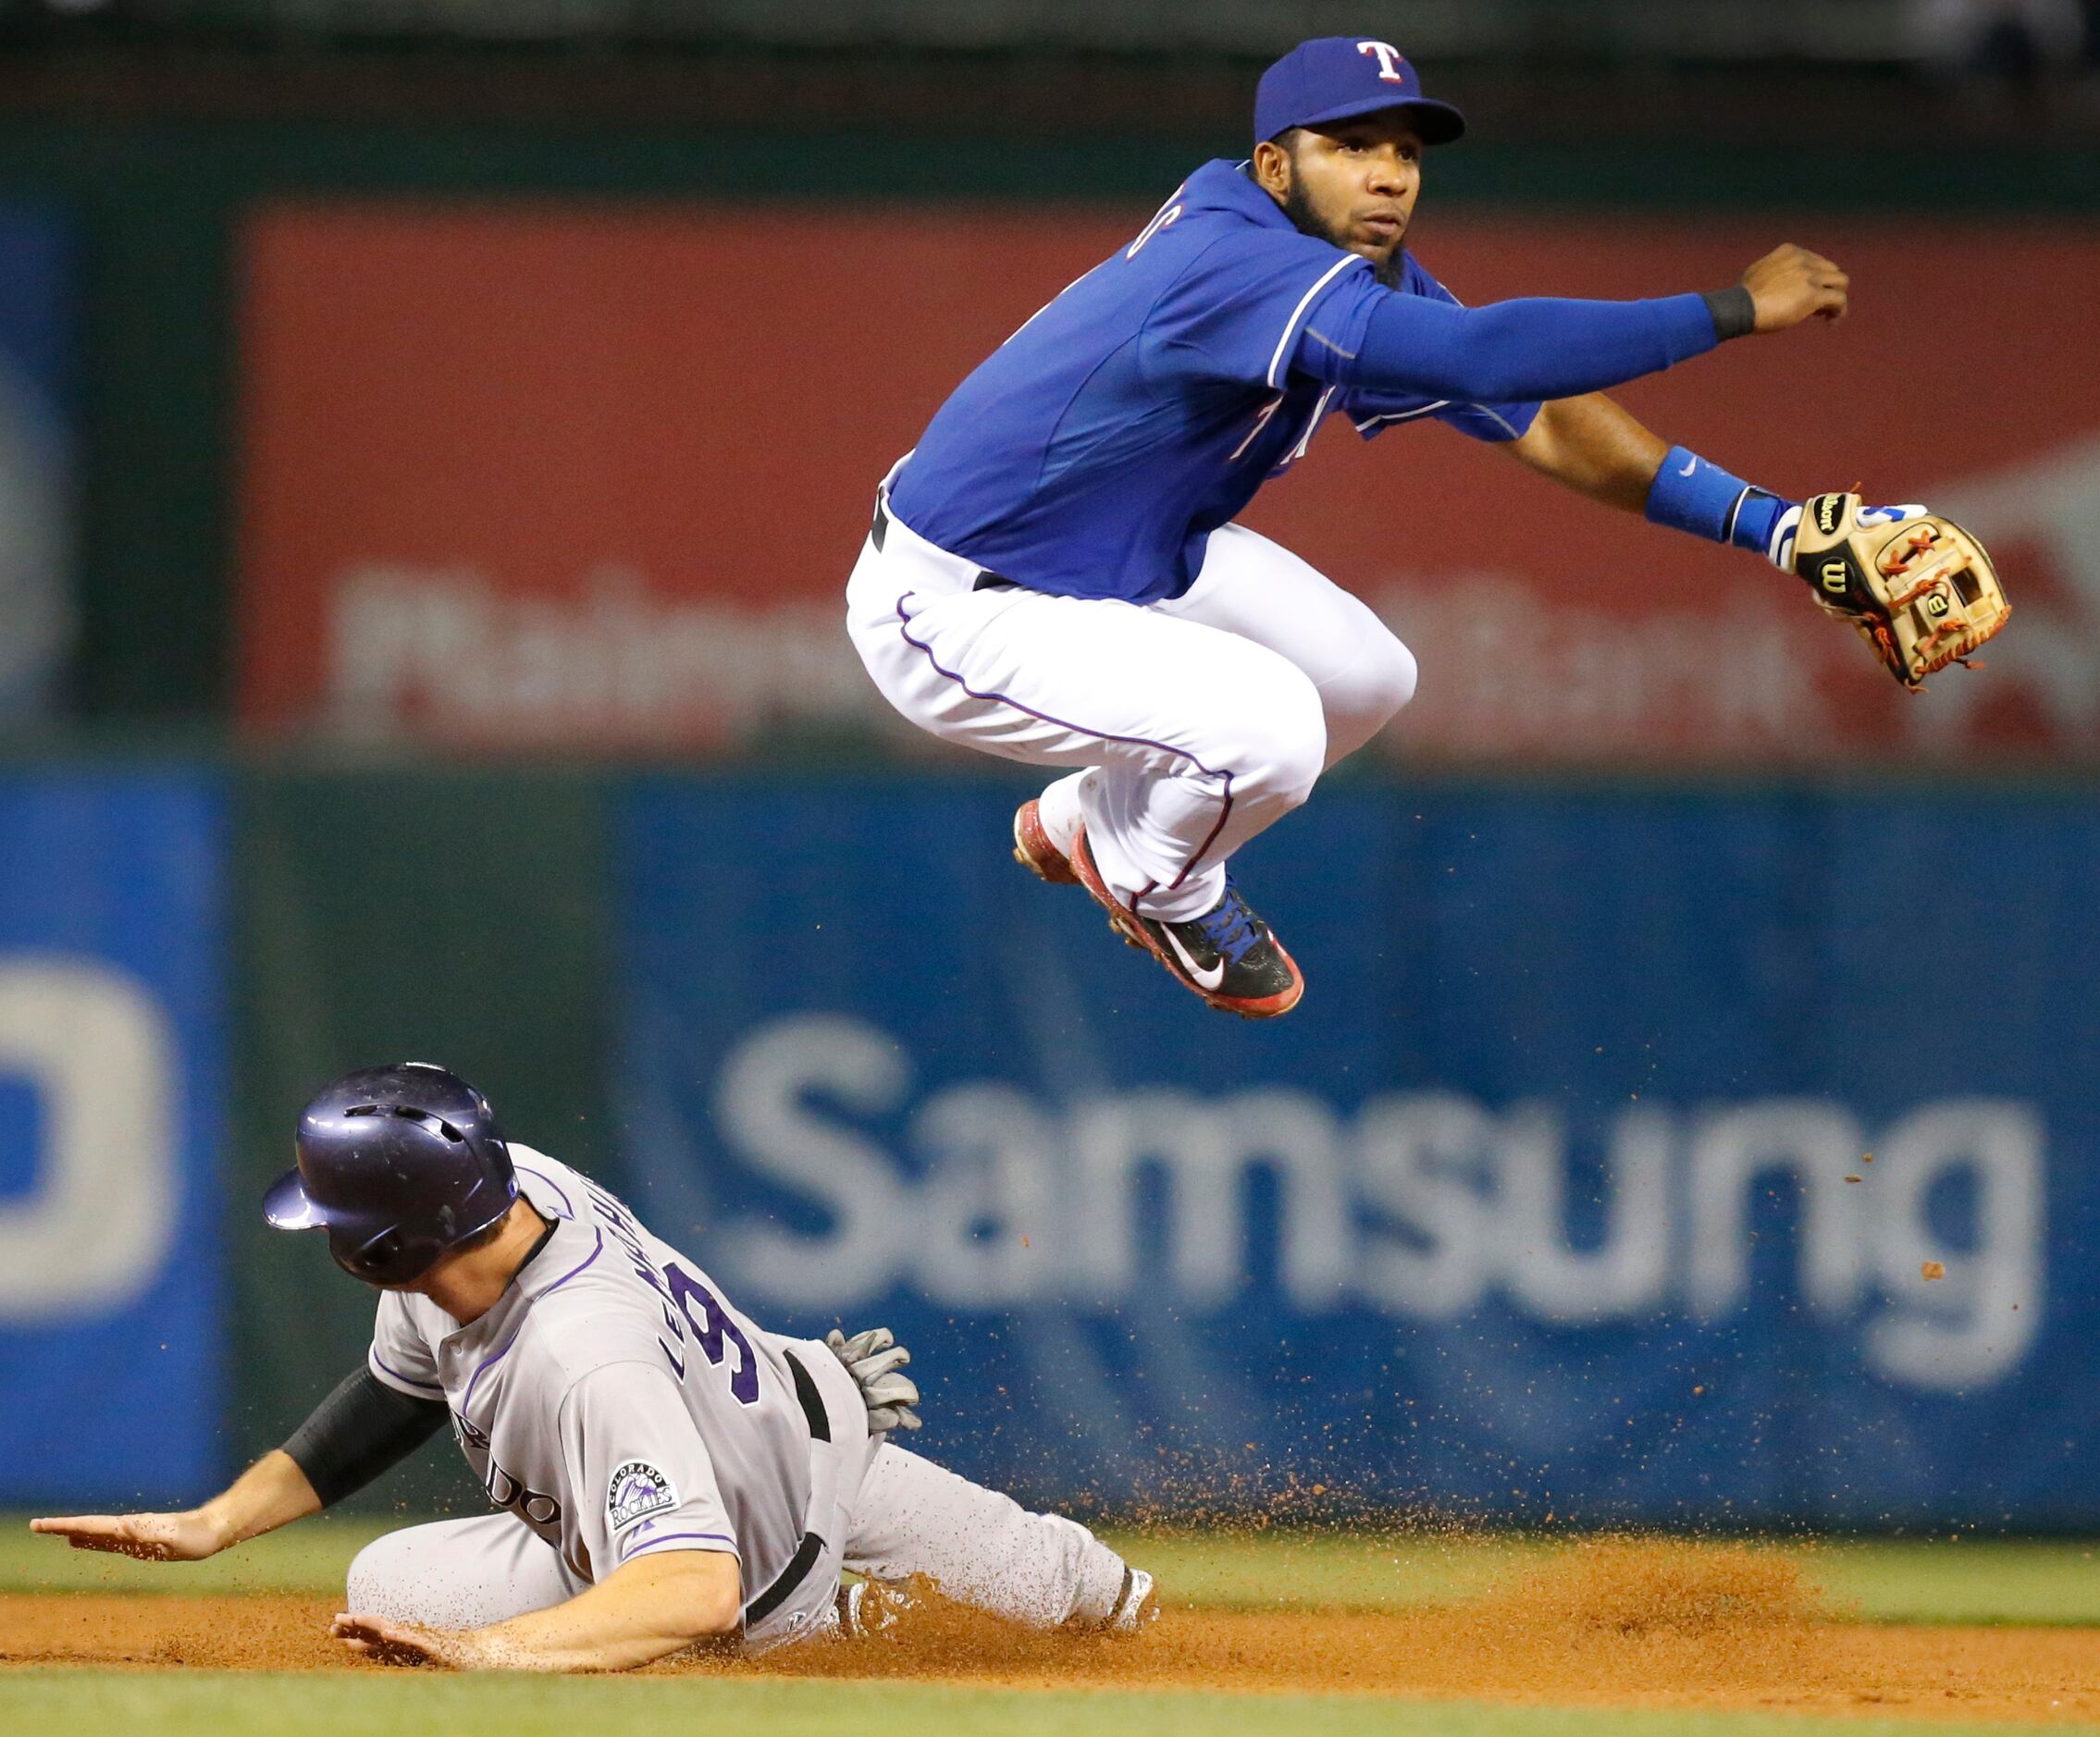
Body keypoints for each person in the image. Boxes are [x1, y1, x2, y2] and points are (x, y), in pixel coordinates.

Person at [846, 35, 1929, 1019]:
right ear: (1274, 167)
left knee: (1365, 679)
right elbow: (1482, 357)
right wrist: (1727, 308)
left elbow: (1541, 417)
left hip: (1117, 556)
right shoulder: (1231, 260)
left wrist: (1778, 530)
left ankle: (1093, 817)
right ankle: (1151, 877)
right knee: (1267, 727)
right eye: (1349, 146)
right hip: (960, 598)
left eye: (1404, 152)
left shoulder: (1339, 269)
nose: (1385, 173)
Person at [30, 1064, 1154, 1669]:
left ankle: (824, 1628)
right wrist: (217, 1521)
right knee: (383, 1588)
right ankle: (867, 1608)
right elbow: (394, 1391)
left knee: (1072, 1595)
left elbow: (694, 1591)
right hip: (787, 1431)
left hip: (744, 1574)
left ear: (379, 1251)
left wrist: (492, 1652)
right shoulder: (503, 1193)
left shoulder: (578, 1358)